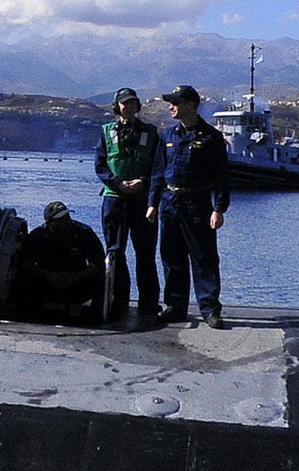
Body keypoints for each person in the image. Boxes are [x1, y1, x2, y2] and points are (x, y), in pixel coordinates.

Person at [151, 85, 230, 329]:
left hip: (197, 204)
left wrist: (219, 209)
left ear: (190, 105)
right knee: (171, 256)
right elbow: (158, 172)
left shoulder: (211, 138)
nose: (171, 106)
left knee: (204, 258)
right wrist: (152, 203)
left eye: (176, 102)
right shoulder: (168, 136)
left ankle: (209, 309)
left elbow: (220, 177)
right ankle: (175, 306)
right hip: (170, 203)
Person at [93, 86, 163, 326]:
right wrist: (118, 183)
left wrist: (142, 183)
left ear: (138, 106)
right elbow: (100, 166)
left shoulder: (151, 133)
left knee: (146, 255)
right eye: (125, 104)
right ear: (117, 107)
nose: (129, 107)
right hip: (114, 199)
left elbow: (158, 168)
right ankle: (117, 300)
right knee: (115, 252)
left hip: (142, 202)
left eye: (133, 103)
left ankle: (149, 304)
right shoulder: (105, 132)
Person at [11, 200, 107, 322]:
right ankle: (24, 314)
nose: (67, 221)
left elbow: (97, 263)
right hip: (47, 281)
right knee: (22, 278)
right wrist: (49, 276)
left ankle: (97, 317)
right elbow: (25, 263)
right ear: (50, 222)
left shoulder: (84, 232)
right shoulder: (38, 235)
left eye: (67, 216)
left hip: (77, 281)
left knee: (100, 278)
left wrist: (74, 277)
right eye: (61, 219)